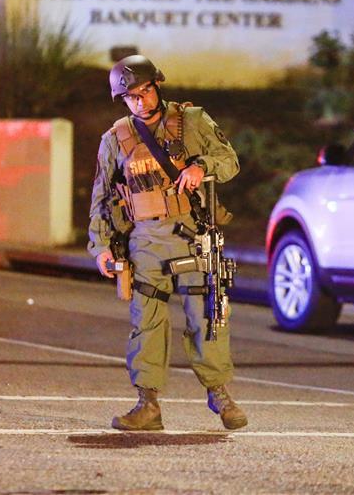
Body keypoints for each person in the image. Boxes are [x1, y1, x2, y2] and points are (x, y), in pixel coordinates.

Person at [88, 54, 247, 431]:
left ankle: (220, 395)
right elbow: (102, 195)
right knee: (147, 324)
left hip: (191, 236)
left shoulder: (192, 121)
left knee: (206, 318)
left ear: (157, 86)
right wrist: (102, 246)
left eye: (145, 92)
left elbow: (230, 160)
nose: (140, 101)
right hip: (145, 242)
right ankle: (148, 404)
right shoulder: (115, 139)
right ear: (123, 100)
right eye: (131, 97)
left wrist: (201, 167)